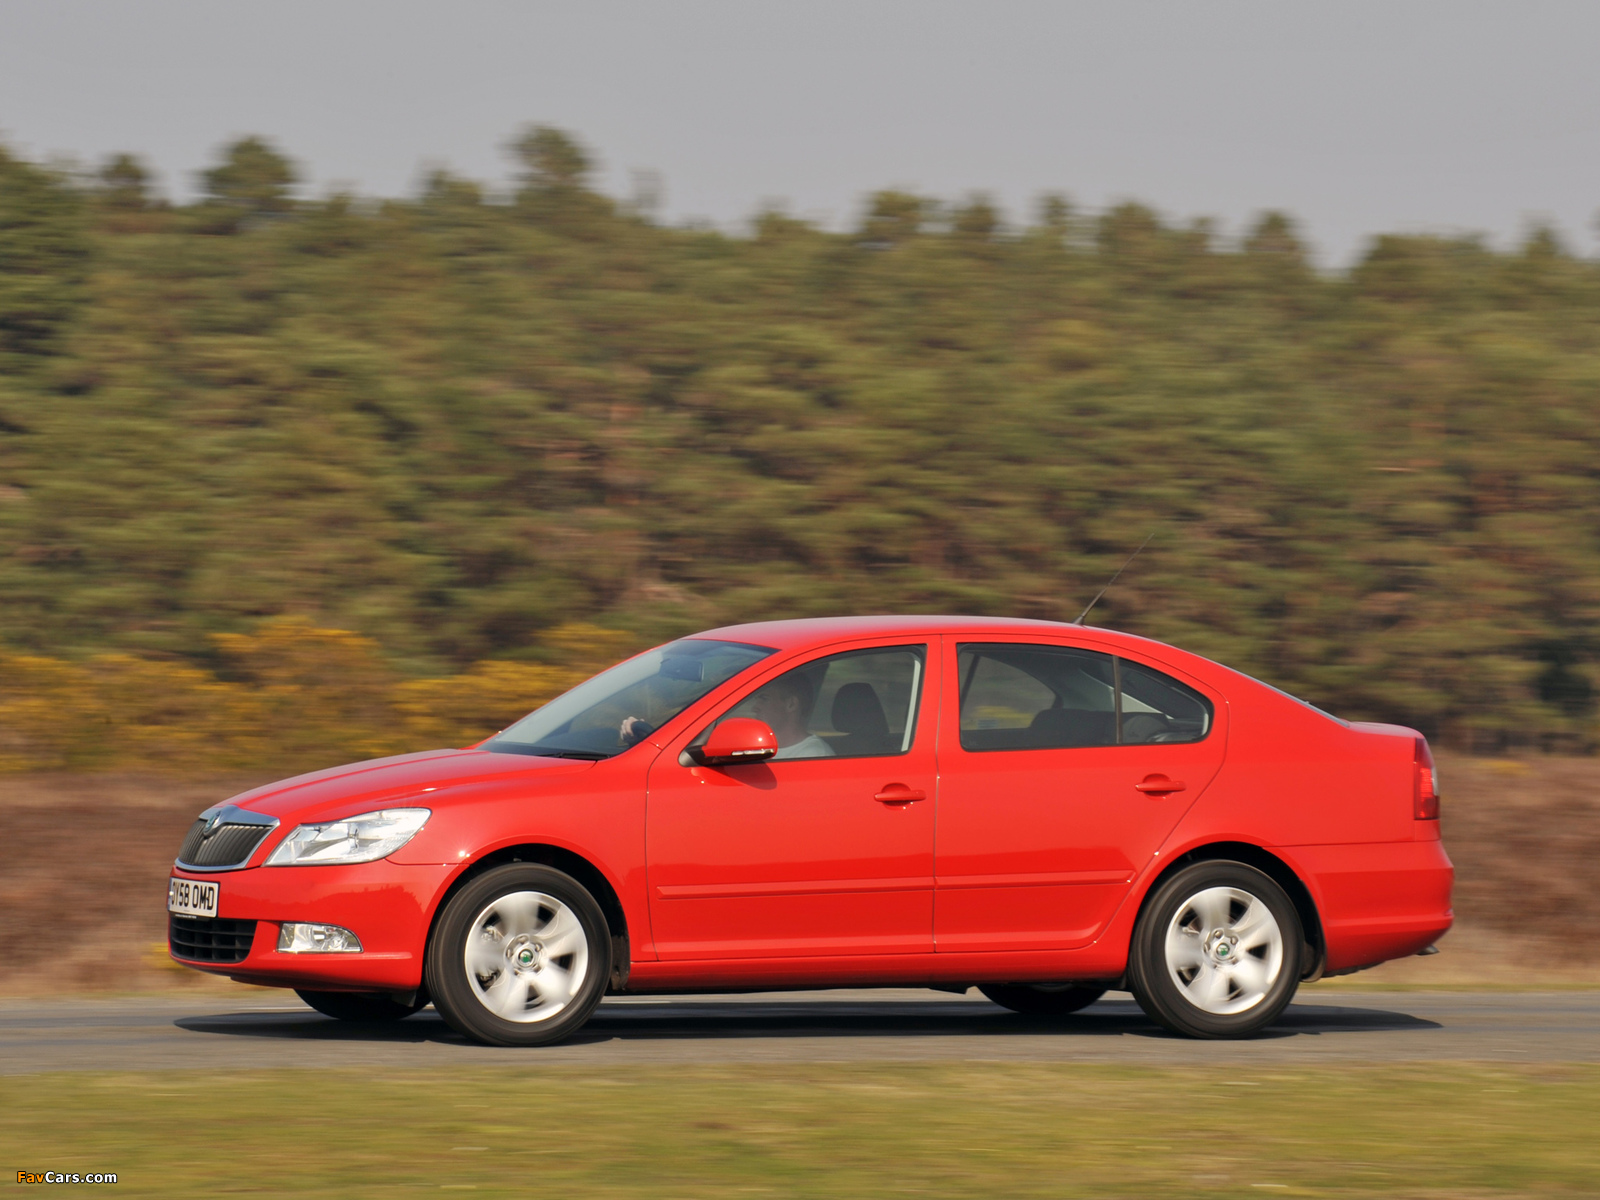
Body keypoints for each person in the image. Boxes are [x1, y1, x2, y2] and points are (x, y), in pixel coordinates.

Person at [741, 671, 833, 760]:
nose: (754, 708)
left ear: (791, 704)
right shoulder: (754, 748)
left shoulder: (814, 755)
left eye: (764, 698)